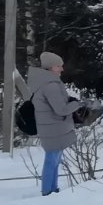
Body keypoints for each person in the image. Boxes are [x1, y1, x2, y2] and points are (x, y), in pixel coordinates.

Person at [26, 52, 81, 196]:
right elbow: (61, 110)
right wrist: (76, 104)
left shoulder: (44, 82)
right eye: (58, 66)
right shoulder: (50, 85)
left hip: (51, 127)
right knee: (52, 160)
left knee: (54, 160)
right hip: (54, 128)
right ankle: (47, 192)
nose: (62, 69)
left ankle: (52, 190)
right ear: (50, 68)